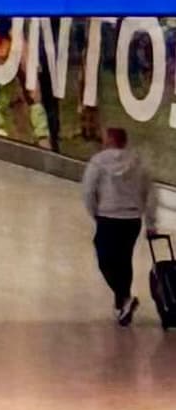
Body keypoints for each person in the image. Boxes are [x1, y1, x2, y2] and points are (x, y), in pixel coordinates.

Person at [83, 126, 152, 327]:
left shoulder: (98, 162)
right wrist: (151, 222)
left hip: (108, 217)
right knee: (124, 259)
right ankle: (121, 305)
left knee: (105, 260)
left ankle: (124, 297)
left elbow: (88, 191)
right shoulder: (138, 163)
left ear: (110, 140)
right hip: (132, 219)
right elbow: (149, 192)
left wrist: (95, 213)